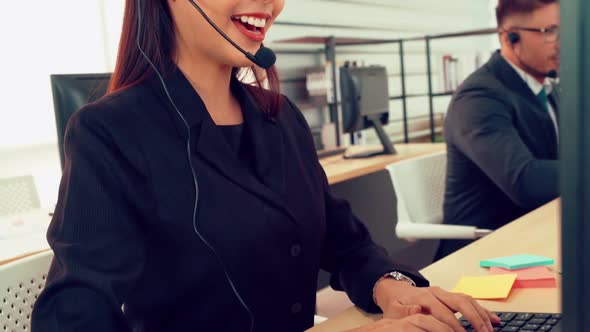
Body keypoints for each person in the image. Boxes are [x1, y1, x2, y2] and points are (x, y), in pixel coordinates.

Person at [31, 0, 498, 331]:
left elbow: (346, 246)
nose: (271, 4)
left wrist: (394, 287)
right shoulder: (109, 132)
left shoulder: (280, 117)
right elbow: (75, 315)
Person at [439, 0, 560, 260]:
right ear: (509, 38)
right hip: (484, 253)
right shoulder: (479, 98)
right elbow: (526, 182)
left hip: (536, 234)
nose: (561, 42)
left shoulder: (548, 88)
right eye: (549, 31)